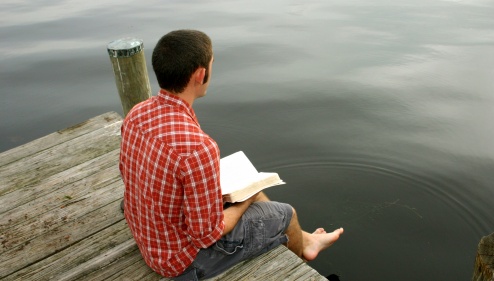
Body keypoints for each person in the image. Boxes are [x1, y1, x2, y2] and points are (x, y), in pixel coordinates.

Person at [119, 29, 344, 280]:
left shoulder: (137, 114)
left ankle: (305, 238)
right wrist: (244, 200)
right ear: (201, 74)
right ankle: (303, 253)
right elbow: (206, 235)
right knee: (286, 213)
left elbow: (129, 174)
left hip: (149, 236)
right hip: (180, 261)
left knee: (252, 190)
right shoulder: (199, 148)